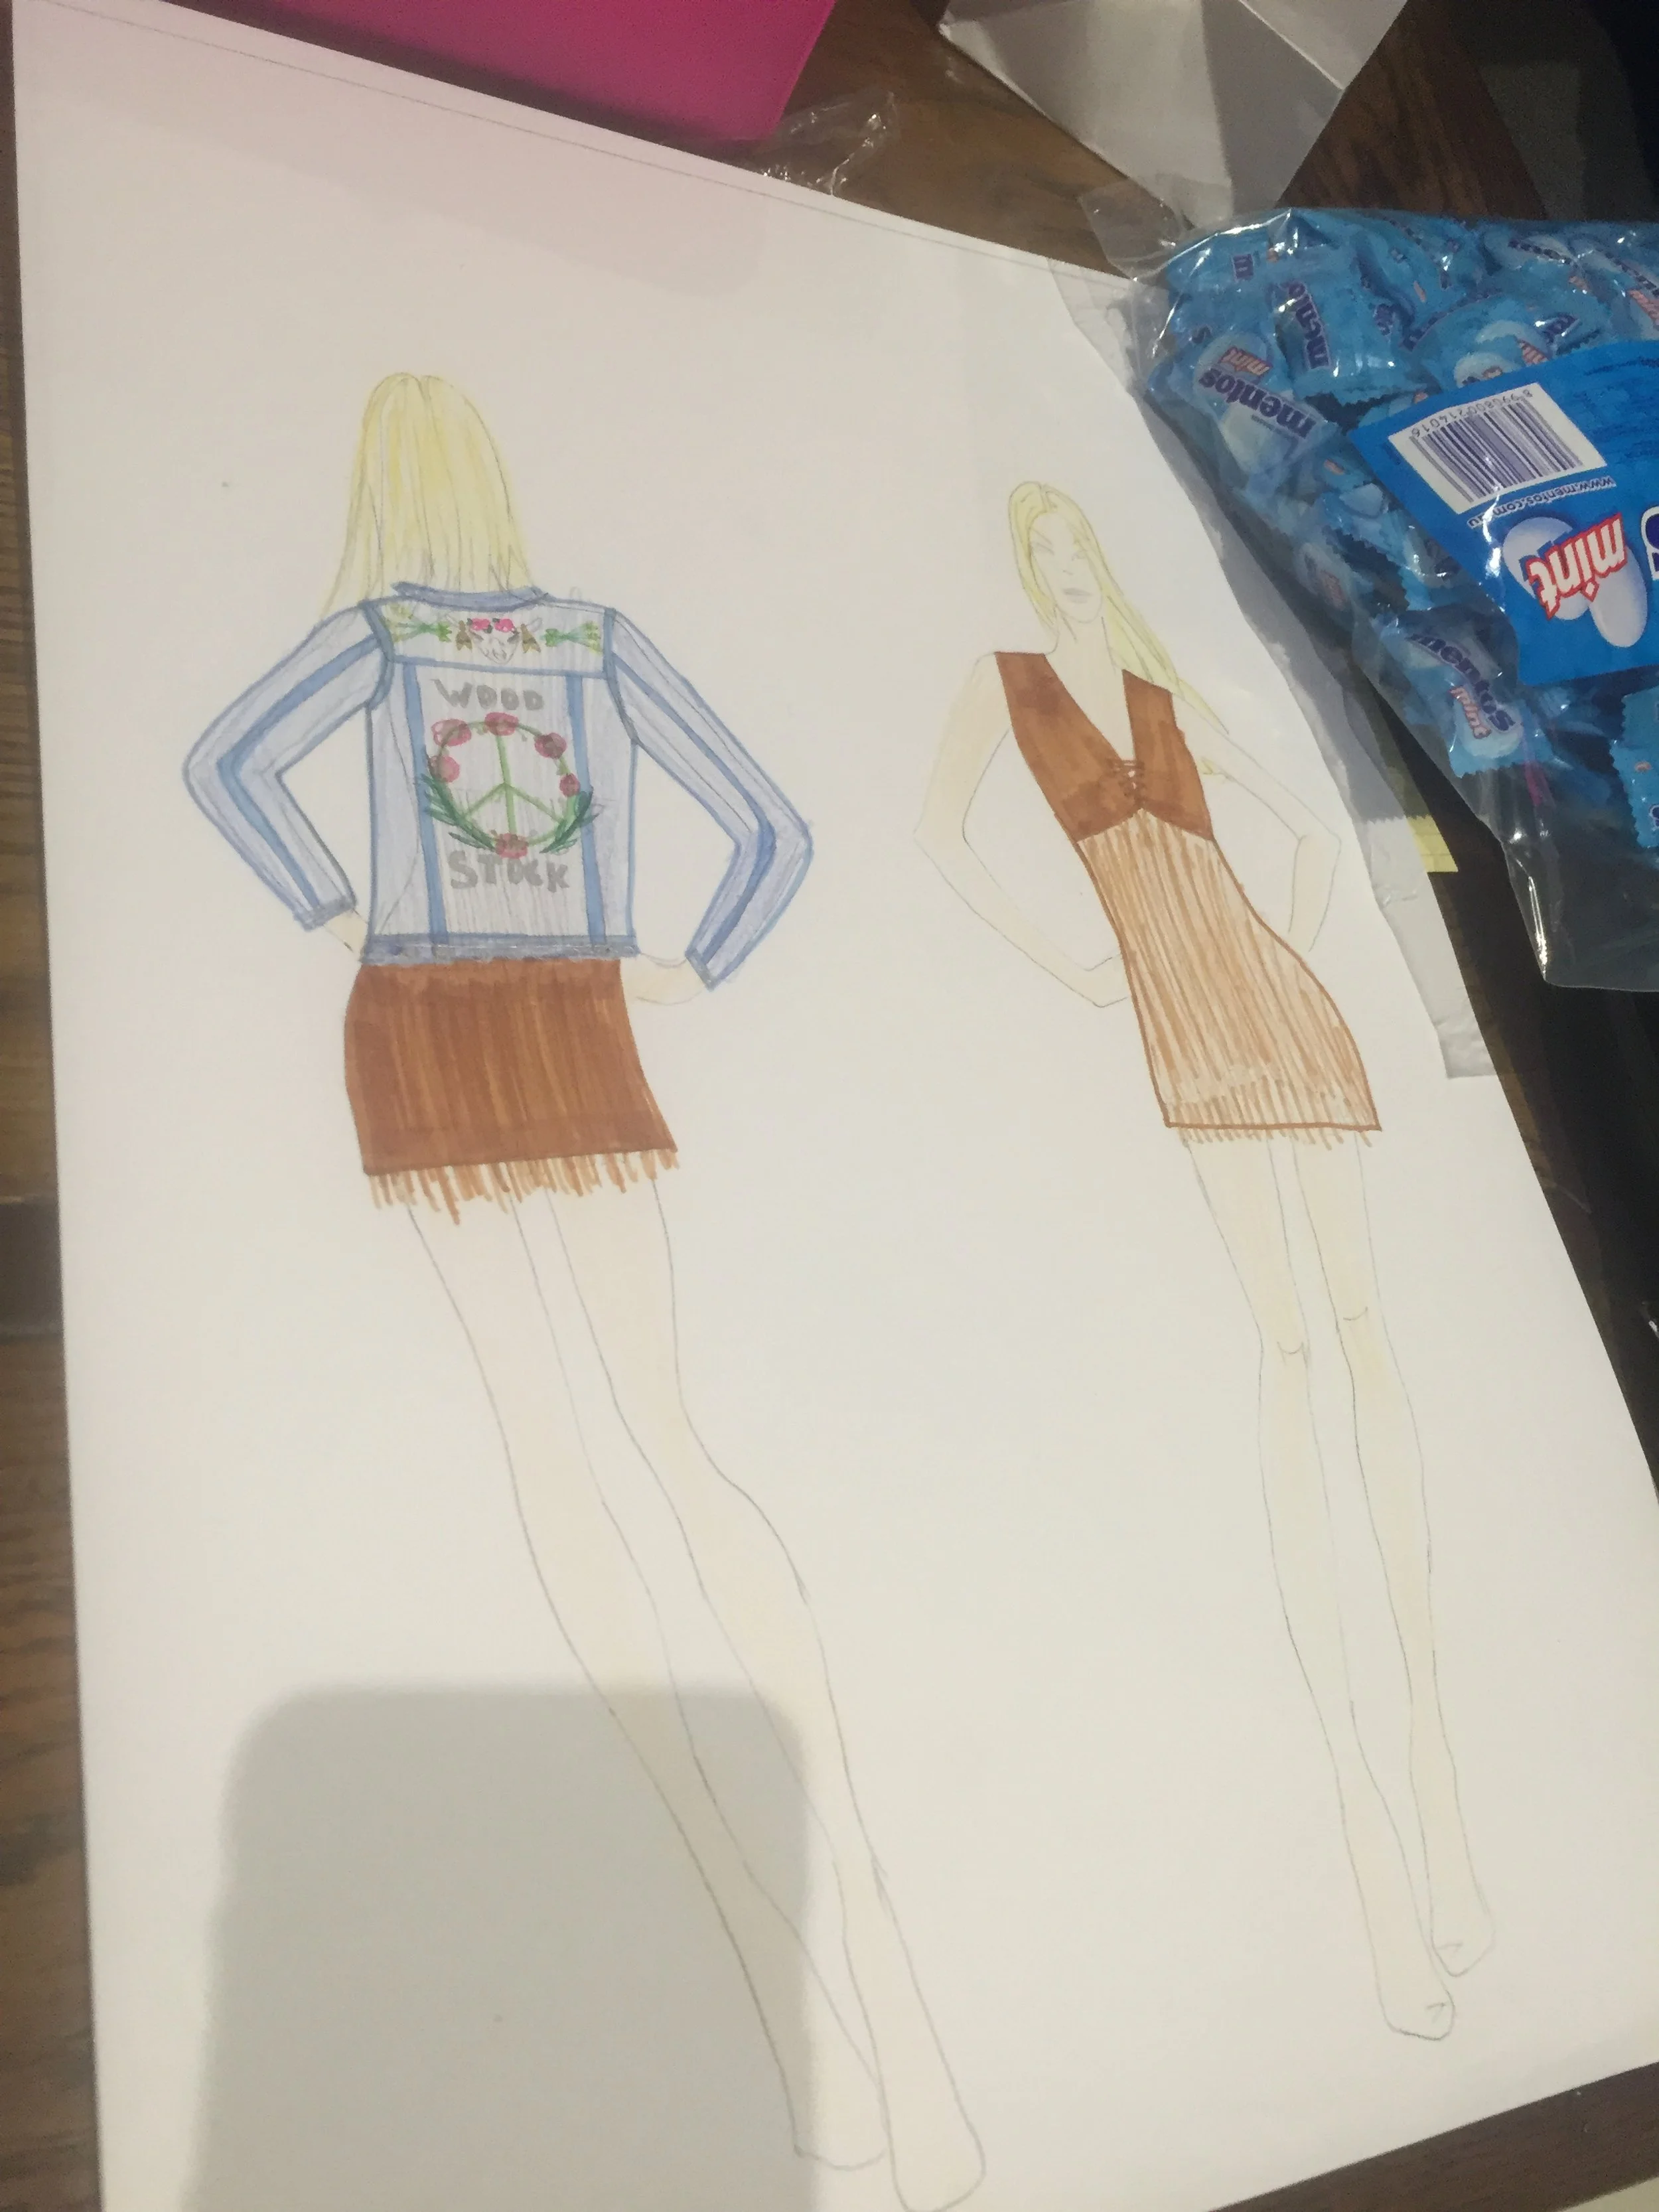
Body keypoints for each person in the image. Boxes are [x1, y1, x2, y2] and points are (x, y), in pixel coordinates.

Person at [187, 371, 983, 2209]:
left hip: (415, 1014)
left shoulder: (372, 637)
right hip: (572, 1008)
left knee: (552, 1449)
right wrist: (691, 962)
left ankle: (784, 1986)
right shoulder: (593, 639)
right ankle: (876, 1980)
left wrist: (336, 906)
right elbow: (773, 831)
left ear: (378, 489)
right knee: (674, 1444)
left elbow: (226, 766)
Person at [918, 480, 1492, 2040]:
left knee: (1357, 1334)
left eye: (1070, 546)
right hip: (1181, 1012)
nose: (1059, 569)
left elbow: (1300, 829)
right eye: (1039, 550)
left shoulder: (1161, 694)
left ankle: (1435, 1780)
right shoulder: (1008, 689)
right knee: (1288, 1344)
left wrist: (1288, 937)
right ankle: (1371, 1812)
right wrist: (1071, 967)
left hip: (1266, 992)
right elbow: (936, 834)